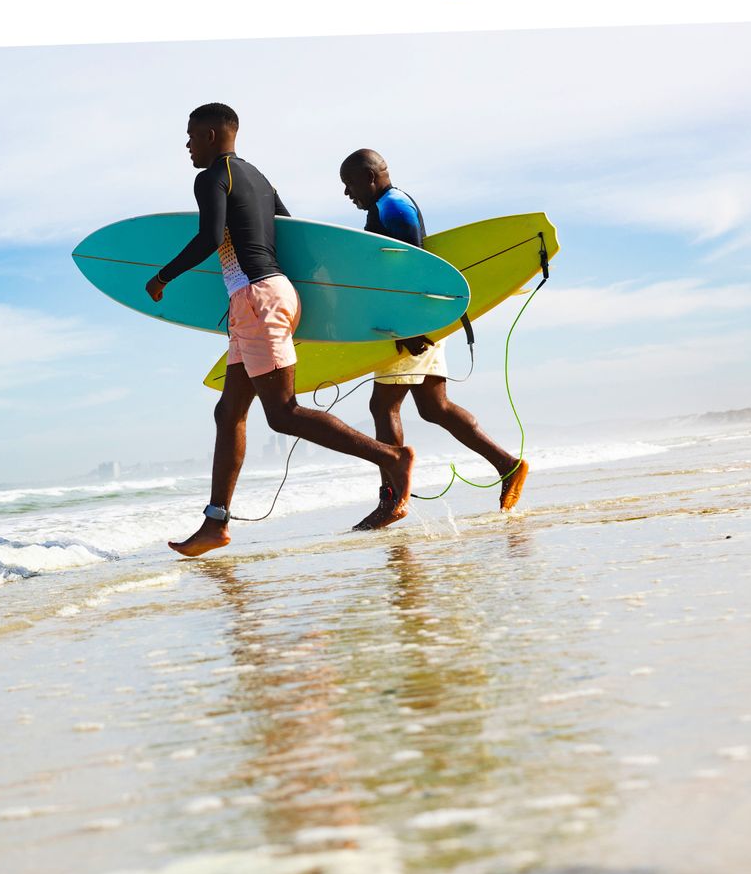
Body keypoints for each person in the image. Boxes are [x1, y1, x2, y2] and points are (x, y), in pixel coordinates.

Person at [146, 105, 415, 556]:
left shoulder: (213, 176)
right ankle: (215, 523)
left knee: (283, 413)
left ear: (213, 135)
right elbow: (293, 233)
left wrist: (163, 277)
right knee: (228, 412)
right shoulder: (260, 179)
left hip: (256, 298)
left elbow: (210, 238)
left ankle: (390, 457)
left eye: (191, 135)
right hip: (264, 297)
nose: (187, 145)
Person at [339, 148, 529, 529]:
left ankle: (392, 499)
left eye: (350, 185)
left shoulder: (392, 208)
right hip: (418, 321)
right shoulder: (388, 205)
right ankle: (509, 466)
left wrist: (413, 328)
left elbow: (418, 269)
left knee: (384, 407)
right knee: (434, 407)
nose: (347, 194)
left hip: (410, 325)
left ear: (370, 177)